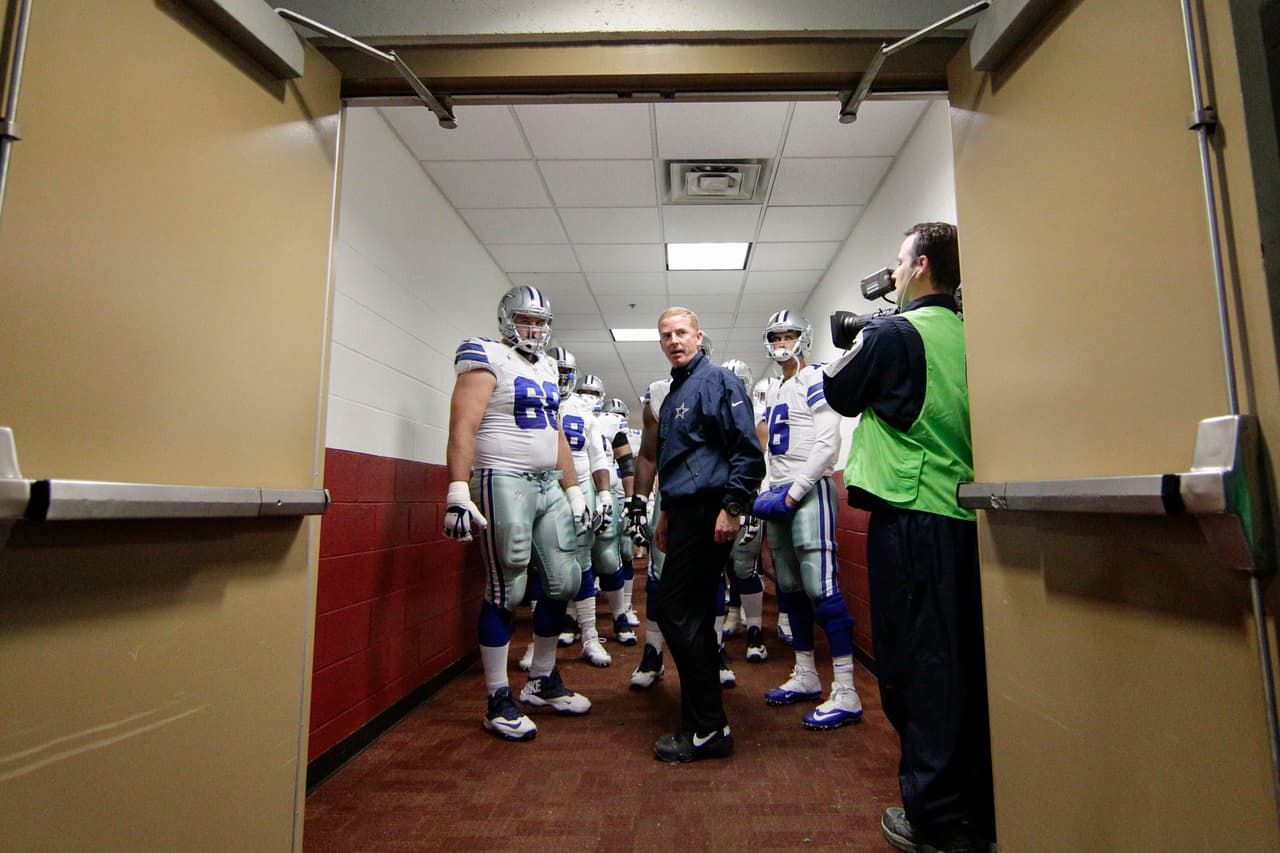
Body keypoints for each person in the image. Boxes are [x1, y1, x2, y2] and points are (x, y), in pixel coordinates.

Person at [821, 223, 994, 851]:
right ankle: (979, 810)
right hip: (964, 519)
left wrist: (870, 329)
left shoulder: (896, 332)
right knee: (961, 667)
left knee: (915, 672)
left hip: (912, 519)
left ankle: (938, 822)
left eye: (898, 262)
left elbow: (838, 390)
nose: (892, 273)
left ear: (921, 267)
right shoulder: (972, 330)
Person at [444, 285, 594, 742]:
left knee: (564, 581)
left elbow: (555, 433)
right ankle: (497, 699)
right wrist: (457, 488)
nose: (533, 329)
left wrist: (574, 489)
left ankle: (542, 679)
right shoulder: (486, 354)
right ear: (507, 320)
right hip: (501, 477)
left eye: (540, 322)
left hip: (548, 482)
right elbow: (463, 424)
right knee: (506, 586)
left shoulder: (547, 366)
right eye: (525, 320)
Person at [629, 307, 765, 763]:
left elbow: (747, 451)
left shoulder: (718, 382)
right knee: (691, 615)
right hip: (684, 511)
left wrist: (733, 507)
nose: (674, 341)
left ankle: (708, 725)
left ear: (699, 336)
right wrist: (666, 512)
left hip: (711, 510)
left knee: (673, 611)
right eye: (666, 335)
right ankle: (704, 721)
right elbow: (675, 459)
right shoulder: (674, 394)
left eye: (682, 333)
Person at [751, 310, 863, 730]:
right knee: (790, 589)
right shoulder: (774, 388)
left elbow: (828, 443)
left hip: (810, 490)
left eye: (789, 335)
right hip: (781, 492)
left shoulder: (816, 376)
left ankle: (847, 690)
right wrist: (768, 489)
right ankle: (805, 673)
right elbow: (772, 450)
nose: (782, 343)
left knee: (821, 587)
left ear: (804, 338)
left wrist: (794, 491)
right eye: (776, 336)